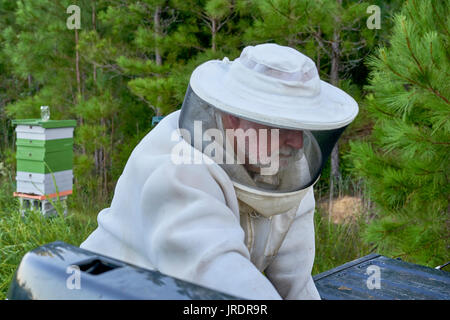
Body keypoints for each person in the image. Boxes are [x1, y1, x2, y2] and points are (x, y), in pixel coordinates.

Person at [80, 43, 358, 299]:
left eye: (303, 126)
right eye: (282, 126)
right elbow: (223, 281)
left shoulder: (289, 173)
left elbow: (295, 285)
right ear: (232, 117)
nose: (297, 143)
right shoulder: (177, 167)